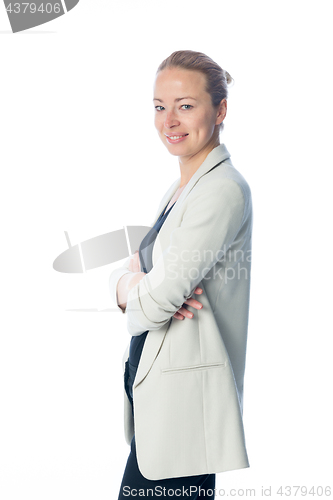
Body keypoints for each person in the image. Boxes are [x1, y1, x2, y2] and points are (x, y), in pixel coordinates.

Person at [109, 49, 253, 499]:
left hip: (183, 413)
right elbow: (141, 283)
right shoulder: (181, 189)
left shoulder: (222, 191)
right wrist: (129, 285)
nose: (168, 120)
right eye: (159, 106)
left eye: (185, 106)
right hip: (160, 404)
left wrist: (137, 291)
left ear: (220, 110)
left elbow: (151, 305)